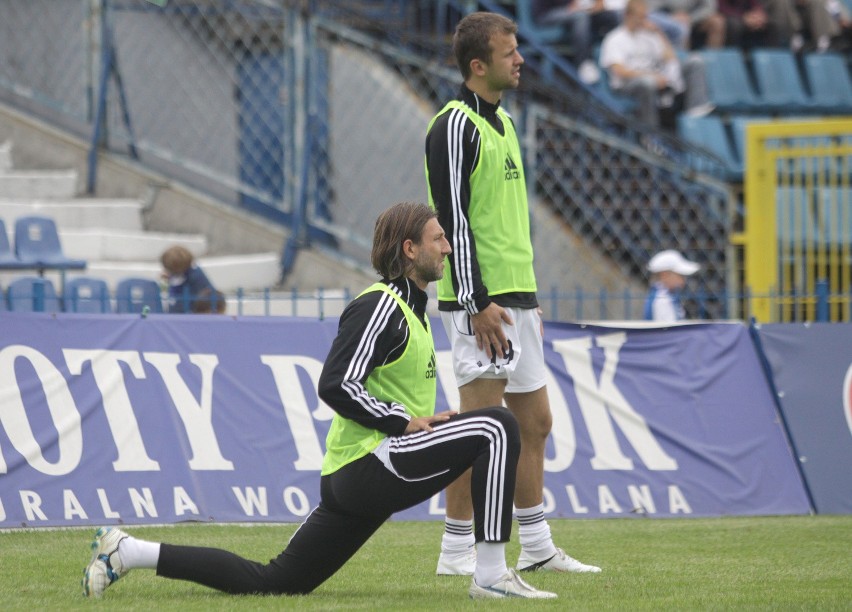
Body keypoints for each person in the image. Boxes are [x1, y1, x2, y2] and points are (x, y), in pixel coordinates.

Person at [81, 202, 557, 601]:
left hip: (362, 474)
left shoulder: (410, 309)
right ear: (409, 250)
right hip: (368, 465)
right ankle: (491, 575)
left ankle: (129, 551)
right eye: (438, 239)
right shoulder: (381, 305)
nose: (448, 247)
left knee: (275, 582)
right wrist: (400, 421)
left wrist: (421, 423)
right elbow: (335, 383)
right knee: (497, 425)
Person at [424, 12, 601, 578]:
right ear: (479, 65)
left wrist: (526, 296)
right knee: (477, 430)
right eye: (509, 53)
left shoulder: (504, 123)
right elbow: (453, 218)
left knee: (536, 423)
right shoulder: (454, 125)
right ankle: (455, 551)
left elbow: (501, 221)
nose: (520, 59)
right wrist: (477, 301)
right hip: (483, 303)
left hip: (515, 298)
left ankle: (538, 546)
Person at [599, 0, 715, 130]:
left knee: (695, 61)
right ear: (628, 15)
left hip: (657, 79)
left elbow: (670, 59)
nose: (642, 20)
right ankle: (651, 133)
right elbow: (619, 70)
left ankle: (696, 115)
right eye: (639, 16)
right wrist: (652, 76)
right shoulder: (615, 38)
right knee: (647, 82)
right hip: (627, 85)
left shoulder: (649, 35)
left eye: (644, 16)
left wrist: (659, 33)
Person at [532, 0, 622, 83]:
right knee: (580, 16)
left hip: (573, 10)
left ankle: (616, 64)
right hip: (547, 13)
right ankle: (583, 64)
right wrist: (577, 6)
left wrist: (594, 6)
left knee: (614, 15)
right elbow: (570, 6)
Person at [643, 249, 700, 321]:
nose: (683, 280)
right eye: (680, 275)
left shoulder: (666, 296)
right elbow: (671, 331)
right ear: (665, 275)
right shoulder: (662, 301)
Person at [645, 0, 727, 49]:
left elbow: (710, 7)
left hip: (694, 17)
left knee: (717, 22)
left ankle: (713, 62)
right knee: (682, 25)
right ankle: (682, 62)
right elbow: (650, 9)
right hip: (665, 17)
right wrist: (670, 18)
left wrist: (691, 18)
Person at [160, 245, 218, 314]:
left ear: (178, 269)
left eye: (169, 270)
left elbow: (180, 303)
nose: (167, 271)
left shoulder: (194, 277)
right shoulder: (183, 273)